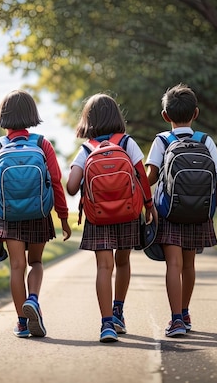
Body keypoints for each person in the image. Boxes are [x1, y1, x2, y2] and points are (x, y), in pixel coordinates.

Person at [0, 89, 72, 338]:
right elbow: (56, 181)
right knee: (36, 263)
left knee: (17, 266)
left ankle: (22, 323)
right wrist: (63, 216)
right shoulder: (42, 143)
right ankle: (34, 300)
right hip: (38, 213)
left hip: (8, 215)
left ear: (2, 116)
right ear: (31, 115)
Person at [66, 93, 155, 343]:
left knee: (104, 267)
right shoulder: (127, 143)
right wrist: (148, 205)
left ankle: (106, 324)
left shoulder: (86, 149)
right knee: (123, 261)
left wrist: (81, 177)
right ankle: (118, 312)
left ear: (88, 121)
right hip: (128, 213)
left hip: (98, 215)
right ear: (117, 117)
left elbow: (72, 187)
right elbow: (141, 176)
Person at [145, 83, 217, 337]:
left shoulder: (161, 140)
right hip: (200, 213)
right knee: (189, 265)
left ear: (165, 116)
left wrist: (141, 196)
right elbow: (216, 182)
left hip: (169, 211)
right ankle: (185, 311)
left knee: (173, 264)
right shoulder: (206, 140)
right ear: (196, 113)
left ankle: (176, 320)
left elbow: (150, 178)